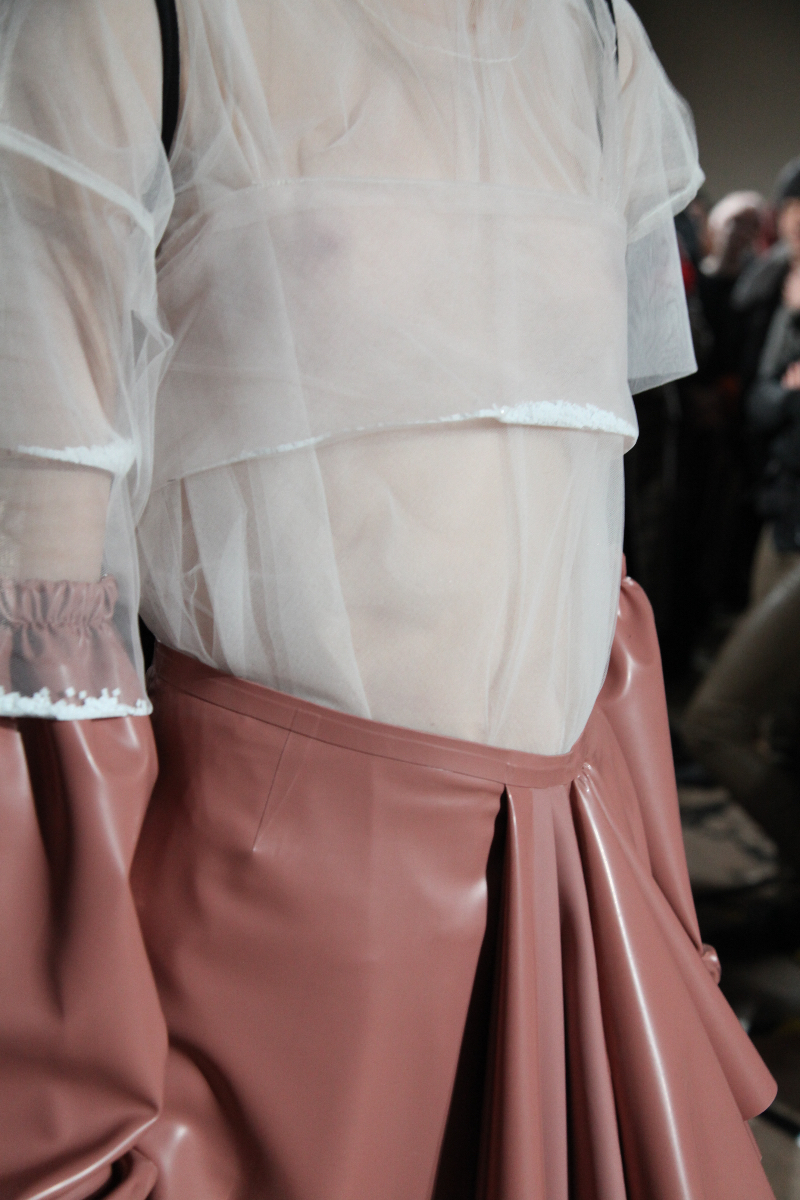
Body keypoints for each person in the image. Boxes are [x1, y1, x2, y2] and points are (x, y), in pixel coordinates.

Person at [0, 1, 776, 1198]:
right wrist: (62, 1070)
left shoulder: (592, 33)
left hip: (567, 863)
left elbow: (580, 511)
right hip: (276, 931)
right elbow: (41, 567)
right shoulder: (129, 19)